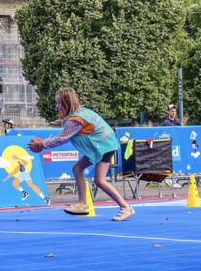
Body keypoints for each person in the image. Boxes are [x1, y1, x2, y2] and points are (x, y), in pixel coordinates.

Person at [28, 88, 134, 221]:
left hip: (103, 146)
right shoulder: (79, 112)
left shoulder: (74, 119)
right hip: (100, 145)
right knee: (77, 168)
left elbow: (62, 138)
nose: (57, 106)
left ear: (66, 103)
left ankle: (125, 207)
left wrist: (42, 144)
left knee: (99, 180)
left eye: (59, 102)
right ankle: (83, 204)